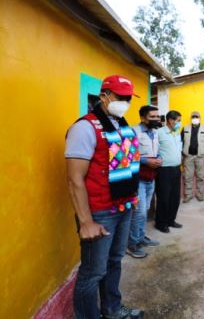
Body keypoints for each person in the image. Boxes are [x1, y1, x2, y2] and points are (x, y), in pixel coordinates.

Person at [65, 75, 144, 318]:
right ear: (104, 96)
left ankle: (111, 309)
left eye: (129, 98)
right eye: (121, 98)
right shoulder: (84, 128)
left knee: (114, 262)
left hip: (124, 207)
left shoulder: (122, 124)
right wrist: (86, 221)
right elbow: (74, 179)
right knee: (93, 272)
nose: (126, 102)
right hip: (99, 213)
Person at [126, 105, 161, 259]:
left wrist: (159, 158)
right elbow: (127, 154)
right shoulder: (134, 131)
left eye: (157, 116)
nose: (156, 119)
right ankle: (132, 244)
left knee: (145, 209)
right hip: (138, 177)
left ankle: (140, 237)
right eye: (152, 117)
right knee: (138, 212)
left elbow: (156, 150)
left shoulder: (155, 132)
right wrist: (146, 161)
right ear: (142, 118)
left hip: (151, 176)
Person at [155, 110, 183, 233]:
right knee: (163, 197)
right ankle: (161, 223)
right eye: (178, 121)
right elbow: (153, 149)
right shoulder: (159, 133)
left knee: (175, 197)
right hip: (164, 170)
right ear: (170, 120)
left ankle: (171, 220)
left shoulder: (177, 132)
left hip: (177, 169)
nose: (179, 123)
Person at [181, 111, 204, 202]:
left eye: (197, 116)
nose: (195, 118)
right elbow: (181, 142)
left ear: (199, 118)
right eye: (193, 117)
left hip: (201, 156)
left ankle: (200, 195)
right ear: (191, 118)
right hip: (188, 156)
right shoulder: (185, 128)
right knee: (187, 177)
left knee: (201, 177)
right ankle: (188, 195)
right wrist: (181, 155)